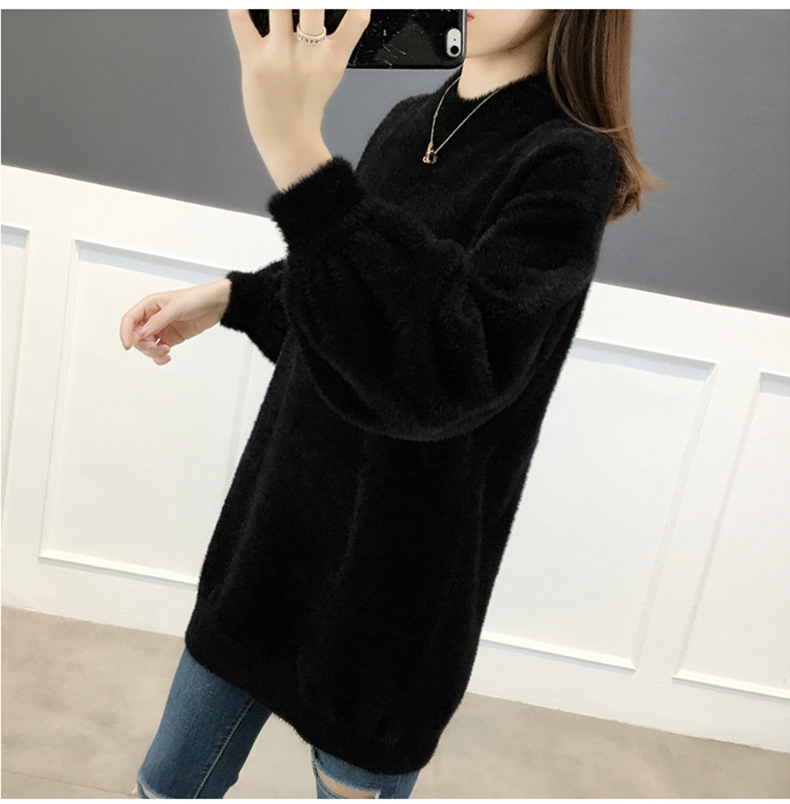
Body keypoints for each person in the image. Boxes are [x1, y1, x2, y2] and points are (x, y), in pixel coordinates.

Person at [122, 8, 663, 800]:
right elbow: (358, 307)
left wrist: (299, 157)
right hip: (273, 542)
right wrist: (235, 297)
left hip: (392, 593)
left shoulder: (567, 159)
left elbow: (451, 366)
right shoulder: (411, 121)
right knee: (166, 785)